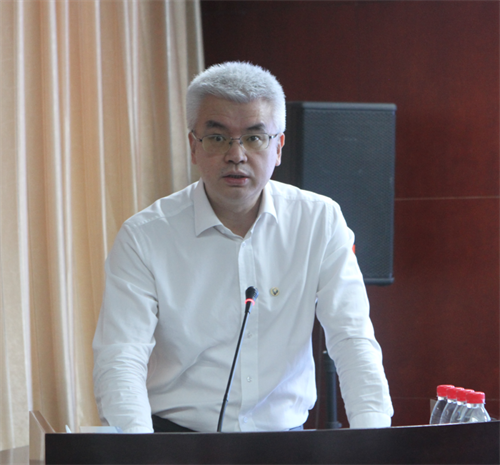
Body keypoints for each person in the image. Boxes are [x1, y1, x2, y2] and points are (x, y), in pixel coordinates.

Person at [92, 61, 393, 433]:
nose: (236, 155)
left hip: (286, 445)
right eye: (218, 138)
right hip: (177, 441)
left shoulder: (319, 221)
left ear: (278, 147)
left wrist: (375, 441)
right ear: (193, 146)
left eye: (254, 137)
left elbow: (352, 337)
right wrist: (139, 453)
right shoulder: (145, 236)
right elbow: (121, 358)